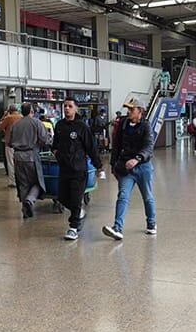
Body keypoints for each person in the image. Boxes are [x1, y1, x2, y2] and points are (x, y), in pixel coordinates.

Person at [51, 98, 105, 241]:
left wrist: (99, 166)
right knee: (62, 197)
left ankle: (73, 228)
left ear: (75, 109)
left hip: (79, 170)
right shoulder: (59, 125)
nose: (67, 108)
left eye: (70, 106)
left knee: (75, 199)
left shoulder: (82, 127)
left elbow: (91, 148)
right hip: (64, 169)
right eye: (65, 106)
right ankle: (79, 212)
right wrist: (57, 153)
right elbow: (55, 144)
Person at [103, 97, 156, 240]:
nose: (129, 112)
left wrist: (137, 158)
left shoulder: (146, 126)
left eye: (132, 109)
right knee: (122, 196)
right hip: (126, 168)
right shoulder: (123, 124)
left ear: (140, 111)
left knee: (147, 197)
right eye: (128, 109)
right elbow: (117, 145)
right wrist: (113, 165)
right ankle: (117, 228)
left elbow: (149, 146)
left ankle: (151, 223)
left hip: (143, 167)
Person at [9, 103, 52, 219]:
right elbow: (45, 140)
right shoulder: (37, 123)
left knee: (23, 183)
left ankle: (25, 208)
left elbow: (9, 142)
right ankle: (30, 200)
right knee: (37, 182)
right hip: (31, 156)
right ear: (32, 111)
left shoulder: (15, 124)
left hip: (17, 157)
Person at [0, 105, 22, 188]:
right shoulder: (21, 117)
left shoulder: (9, 117)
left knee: (11, 162)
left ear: (9, 111)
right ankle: (21, 180)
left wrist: (4, 116)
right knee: (19, 162)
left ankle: (13, 182)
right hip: (21, 144)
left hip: (10, 143)